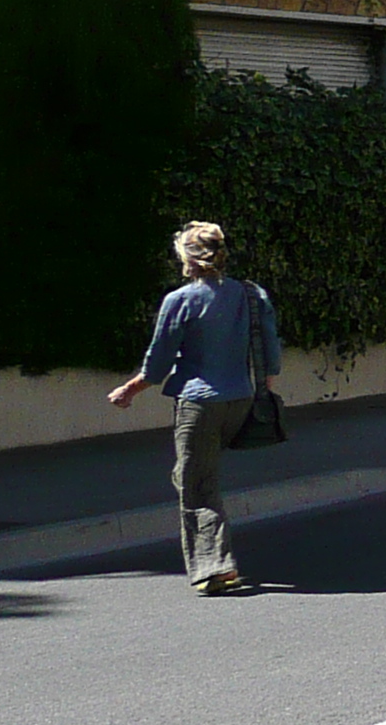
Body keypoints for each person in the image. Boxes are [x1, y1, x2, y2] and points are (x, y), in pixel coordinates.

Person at [108, 221, 283, 595]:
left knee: (196, 483)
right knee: (194, 475)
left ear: (187, 258)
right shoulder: (252, 295)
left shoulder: (181, 300)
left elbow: (157, 363)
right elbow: (271, 356)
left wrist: (129, 390)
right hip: (240, 399)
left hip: (199, 404)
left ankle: (216, 567)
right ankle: (217, 560)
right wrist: (263, 395)